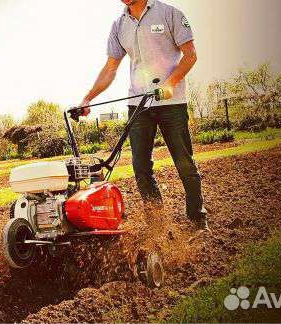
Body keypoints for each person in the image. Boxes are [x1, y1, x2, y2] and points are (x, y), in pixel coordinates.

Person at [79, 0, 210, 232]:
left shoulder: (170, 14)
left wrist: (171, 83)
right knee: (141, 167)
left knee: (184, 163)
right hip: (139, 104)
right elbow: (110, 68)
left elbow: (190, 55)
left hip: (172, 102)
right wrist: (88, 98)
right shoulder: (119, 25)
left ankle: (197, 220)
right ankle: (157, 227)